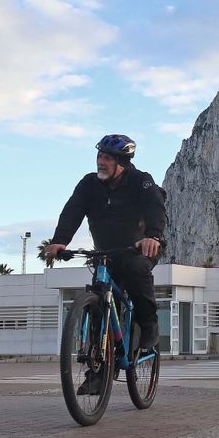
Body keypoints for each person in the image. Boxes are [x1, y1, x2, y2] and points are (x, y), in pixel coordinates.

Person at [44, 134, 166, 395]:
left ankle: (149, 325)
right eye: (99, 156)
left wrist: (152, 236)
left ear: (121, 162)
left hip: (139, 248)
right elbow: (72, 210)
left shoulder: (140, 180)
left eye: (107, 158)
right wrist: (60, 241)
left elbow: (155, 207)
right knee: (99, 296)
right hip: (106, 253)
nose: (101, 161)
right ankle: (99, 371)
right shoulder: (89, 184)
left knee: (136, 270)